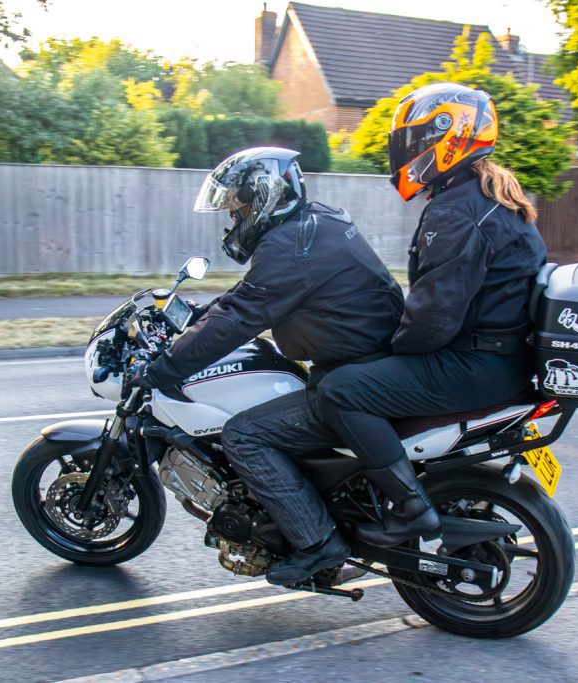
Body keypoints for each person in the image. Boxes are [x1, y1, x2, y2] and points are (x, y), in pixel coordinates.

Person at [127, 147, 404, 585]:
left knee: (244, 435)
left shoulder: (289, 247)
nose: (232, 219)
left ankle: (318, 543)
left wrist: (161, 369)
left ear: (265, 197)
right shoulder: (317, 222)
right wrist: (201, 316)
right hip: (371, 365)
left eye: (237, 207)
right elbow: (251, 297)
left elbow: (240, 317)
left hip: (353, 376)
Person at [316, 83, 548, 547]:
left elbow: (434, 319)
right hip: (504, 358)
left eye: (414, 140)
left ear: (448, 137)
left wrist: (386, 347)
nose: (406, 151)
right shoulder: (492, 197)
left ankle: (411, 509)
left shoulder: (457, 211)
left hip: (474, 365)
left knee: (338, 390)